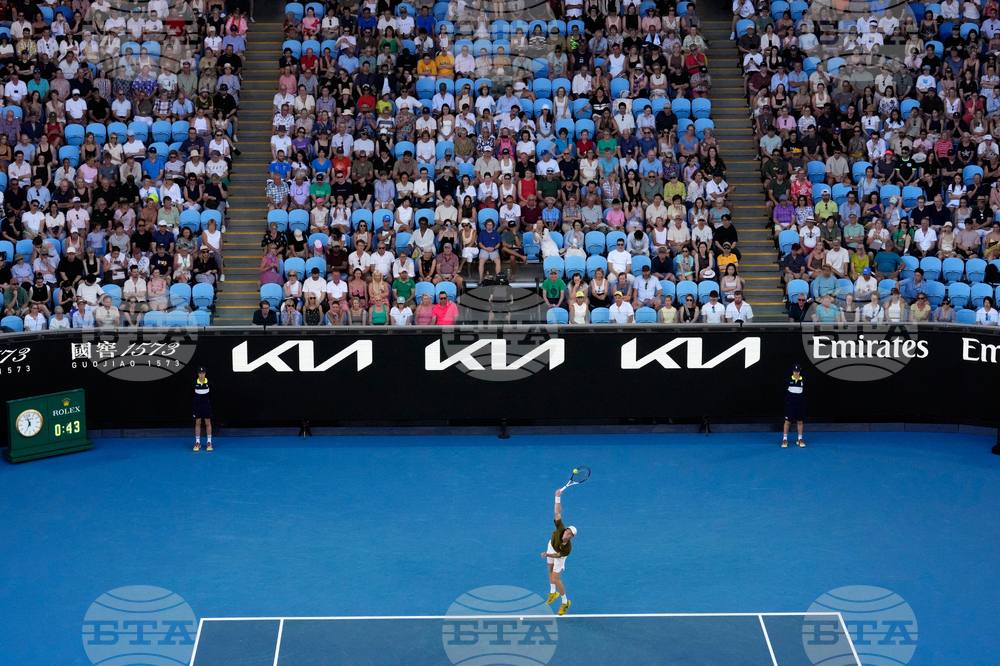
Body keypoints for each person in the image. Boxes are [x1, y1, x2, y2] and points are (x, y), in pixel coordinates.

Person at [541, 488, 576, 616]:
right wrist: (557, 497)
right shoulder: (560, 528)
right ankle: (552, 593)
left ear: (572, 537)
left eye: (570, 534)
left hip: (558, 555)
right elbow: (558, 512)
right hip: (552, 546)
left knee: (556, 579)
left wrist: (546, 555)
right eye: (568, 530)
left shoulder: (567, 548)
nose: (567, 533)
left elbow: (557, 556)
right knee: (550, 568)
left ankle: (565, 602)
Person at [782, 363, 806, 448]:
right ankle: (785, 439)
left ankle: (800, 439)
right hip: (790, 404)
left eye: (798, 371)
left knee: (800, 421)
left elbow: (805, 392)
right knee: (787, 422)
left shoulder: (803, 380)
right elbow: (784, 391)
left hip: (799, 404)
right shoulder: (787, 380)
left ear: (800, 372)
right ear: (793, 371)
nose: (796, 373)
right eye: (795, 371)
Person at [192, 366, 213, 452]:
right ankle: (197, 442)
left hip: (206, 405)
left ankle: (209, 442)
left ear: (205, 374)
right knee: (198, 422)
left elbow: (212, 393)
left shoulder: (210, 383)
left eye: (203, 373)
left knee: (208, 422)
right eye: (200, 373)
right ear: (198, 374)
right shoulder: (193, 383)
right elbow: (191, 394)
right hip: (197, 405)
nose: (201, 375)